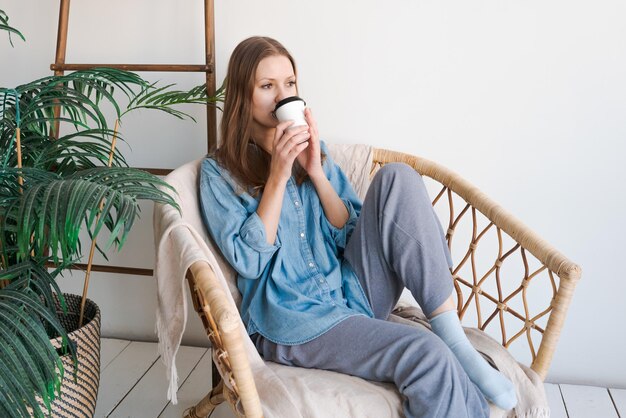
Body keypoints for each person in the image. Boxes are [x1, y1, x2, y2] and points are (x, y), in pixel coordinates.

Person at [199, 36, 517, 418]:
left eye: (290, 83)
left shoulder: (315, 152)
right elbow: (249, 262)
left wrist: (315, 171)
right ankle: (447, 353)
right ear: (242, 97)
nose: (282, 95)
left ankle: (454, 338)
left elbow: (349, 233)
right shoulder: (218, 174)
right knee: (426, 354)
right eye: (267, 86)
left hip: (350, 291)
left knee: (398, 178)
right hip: (295, 320)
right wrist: (279, 177)